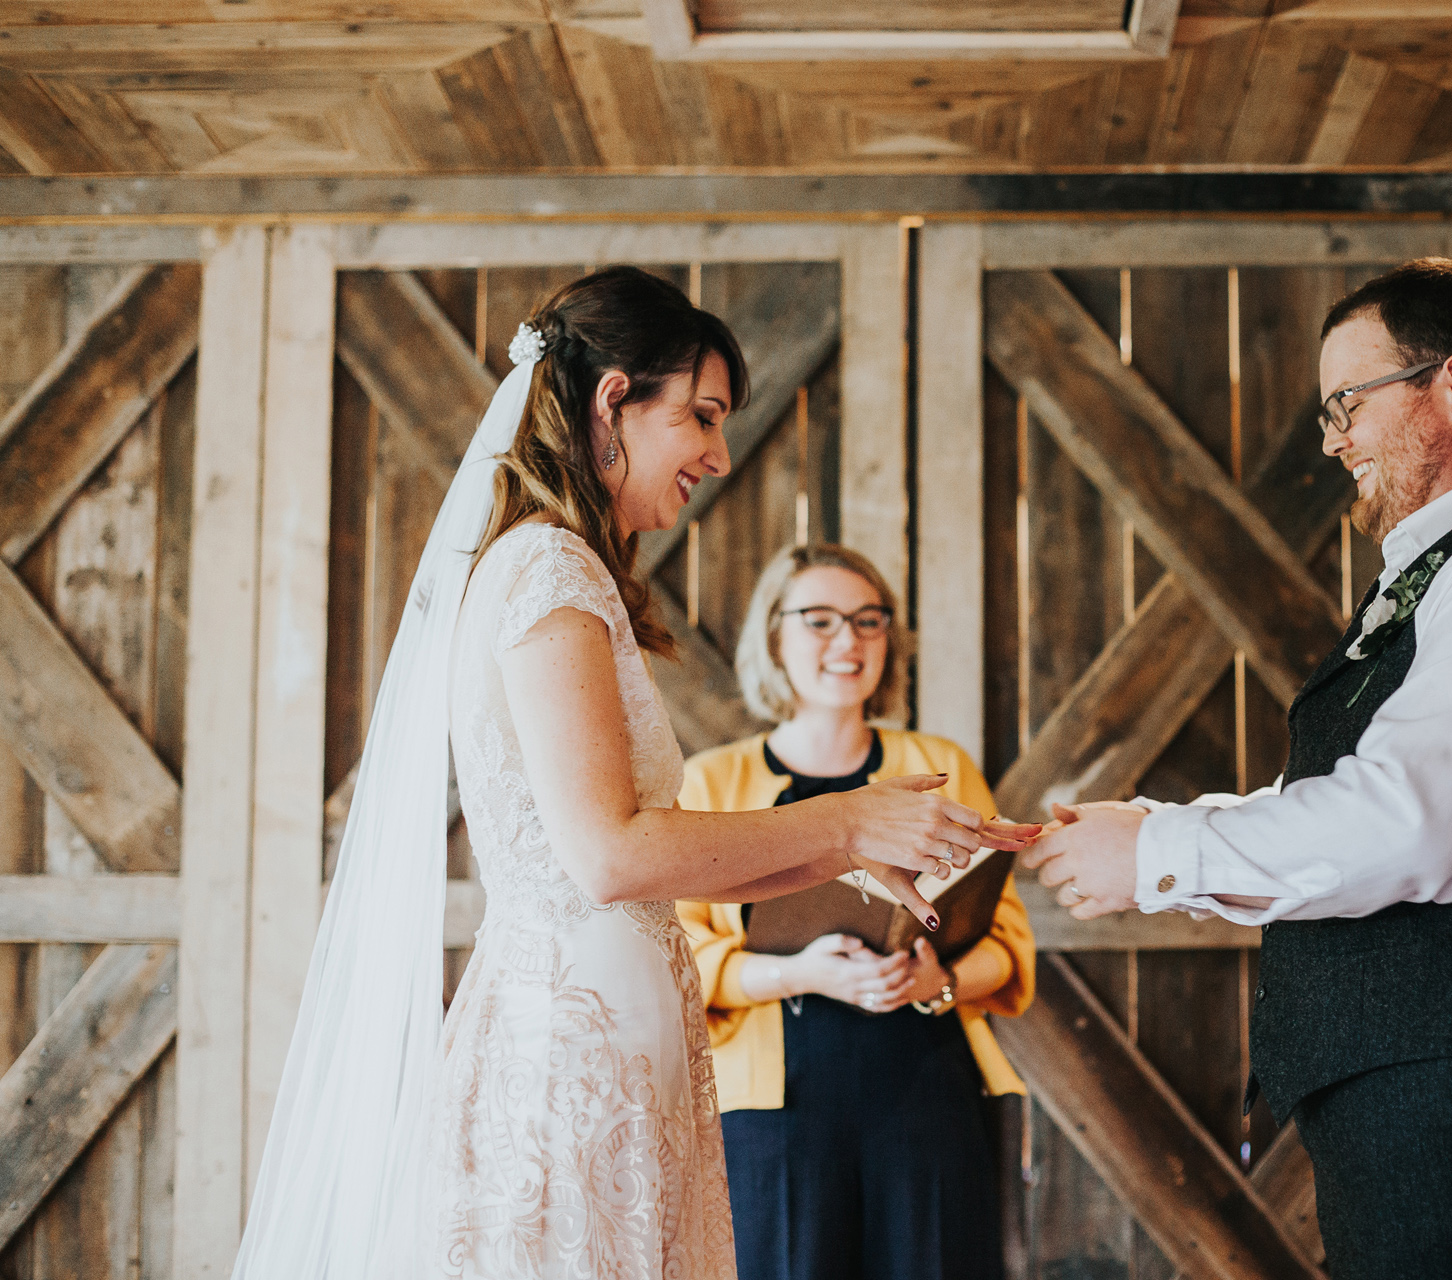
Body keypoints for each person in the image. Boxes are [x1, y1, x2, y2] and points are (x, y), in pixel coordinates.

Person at [230, 267, 1034, 1280]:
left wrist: (862, 852)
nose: (719, 452)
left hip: (616, 1052)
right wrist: (845, 824)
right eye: (699, 414)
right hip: (568, 1061)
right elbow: (609, 854)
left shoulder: (572, 572)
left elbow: (666, 864)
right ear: (614, 397)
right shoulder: (546, 569)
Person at [1023, 258, 1452, 1280]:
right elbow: (1377, 794)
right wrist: (1148, 830)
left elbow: (1415, 820)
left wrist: (1161, 850)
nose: (1334, 437)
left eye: (1348, 402)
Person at [677, 543, 1036, 1280]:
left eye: (869, 621)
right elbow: (681, 958)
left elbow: (1007, 945)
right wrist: (802, 974)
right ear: (774, 637)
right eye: (820, 620)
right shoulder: (713, 781)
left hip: (929, 1097)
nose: (849, 641)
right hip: (775, 1119)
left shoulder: (940, 765)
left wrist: (934, 983)